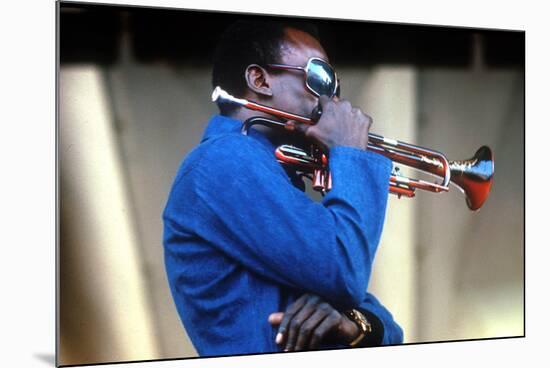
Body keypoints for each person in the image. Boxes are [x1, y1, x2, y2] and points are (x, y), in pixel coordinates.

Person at [163, 19, 403, 357]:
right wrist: (350, 153)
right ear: (259, 80)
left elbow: (388, 327)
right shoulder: (225, 159)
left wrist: (354, 323)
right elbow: (344, 270)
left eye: (334, 84)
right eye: (320, 77)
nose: (331, 97)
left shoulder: (266, 168)